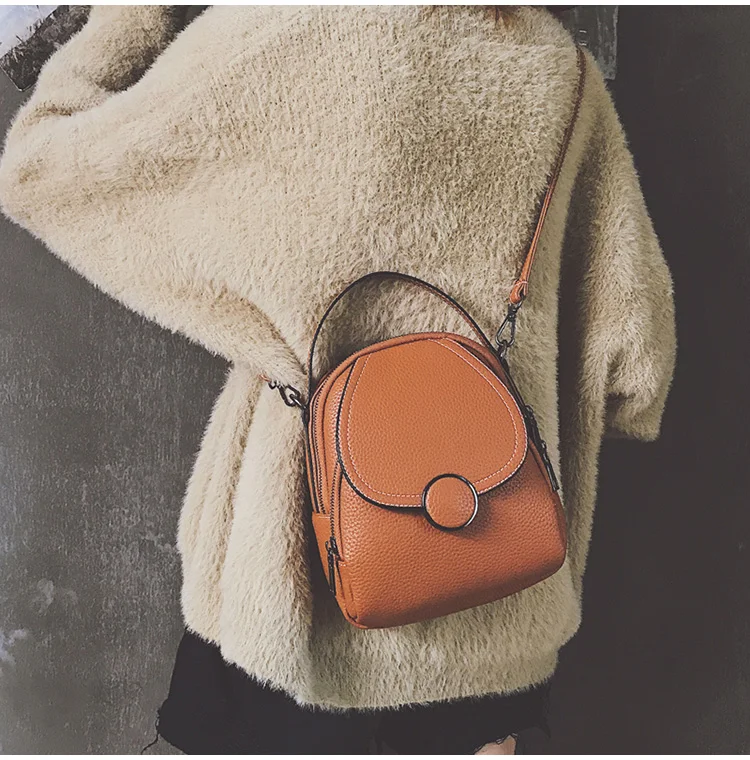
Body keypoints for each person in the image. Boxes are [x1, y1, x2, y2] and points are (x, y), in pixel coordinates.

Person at [0, 5, 676, 754]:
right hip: (494, 598)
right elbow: (634, 358)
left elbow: (36, 172)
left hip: (299, 605)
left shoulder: (289, 30)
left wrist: (135, 14)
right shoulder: (563, 73)